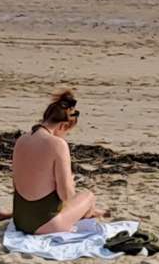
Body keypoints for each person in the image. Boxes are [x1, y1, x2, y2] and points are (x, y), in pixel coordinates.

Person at [8, 89, 104, 235]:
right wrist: (70, 182)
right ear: (62, 126)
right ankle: (91, 212)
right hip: (47, 225)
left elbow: (19, 183)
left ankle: (91, 212)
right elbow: (66, 196)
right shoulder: (57, 144)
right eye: (66, 132)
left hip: (20, 221)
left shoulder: (21, 140)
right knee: (88, 196)